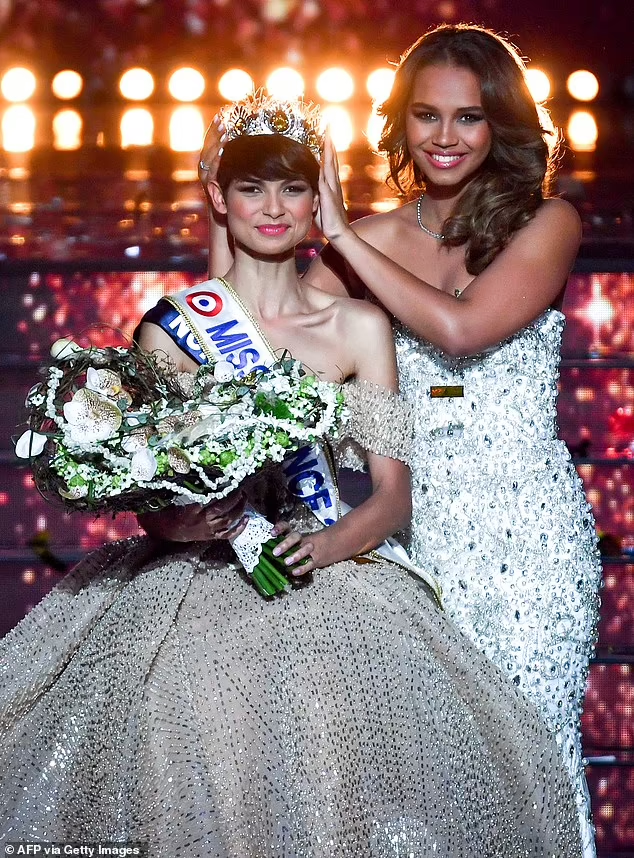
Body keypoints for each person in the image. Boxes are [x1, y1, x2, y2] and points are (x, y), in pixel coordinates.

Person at [0, 95, 583, 858]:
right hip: (197, 579)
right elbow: (153, 492)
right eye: (250, 189)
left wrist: (322, 549)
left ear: (318, 200)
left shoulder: (358, 327)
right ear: (220, 198)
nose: (273, 208)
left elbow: (392, 494)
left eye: (292, 189)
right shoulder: (173, 329)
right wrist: (183, 519)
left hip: (330, 570)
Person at [199, 25, 602, 858]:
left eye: (469, 117)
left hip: (531, 544)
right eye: (426, 115)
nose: (445, 137)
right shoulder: (379, 237)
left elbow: (461, 329)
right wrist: (217, 210)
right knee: (424, 781)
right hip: (411, 540)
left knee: (532, 758)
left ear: (500, 124)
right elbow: (258, 338)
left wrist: (343, 235)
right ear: (401, 122)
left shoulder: (548, 222)